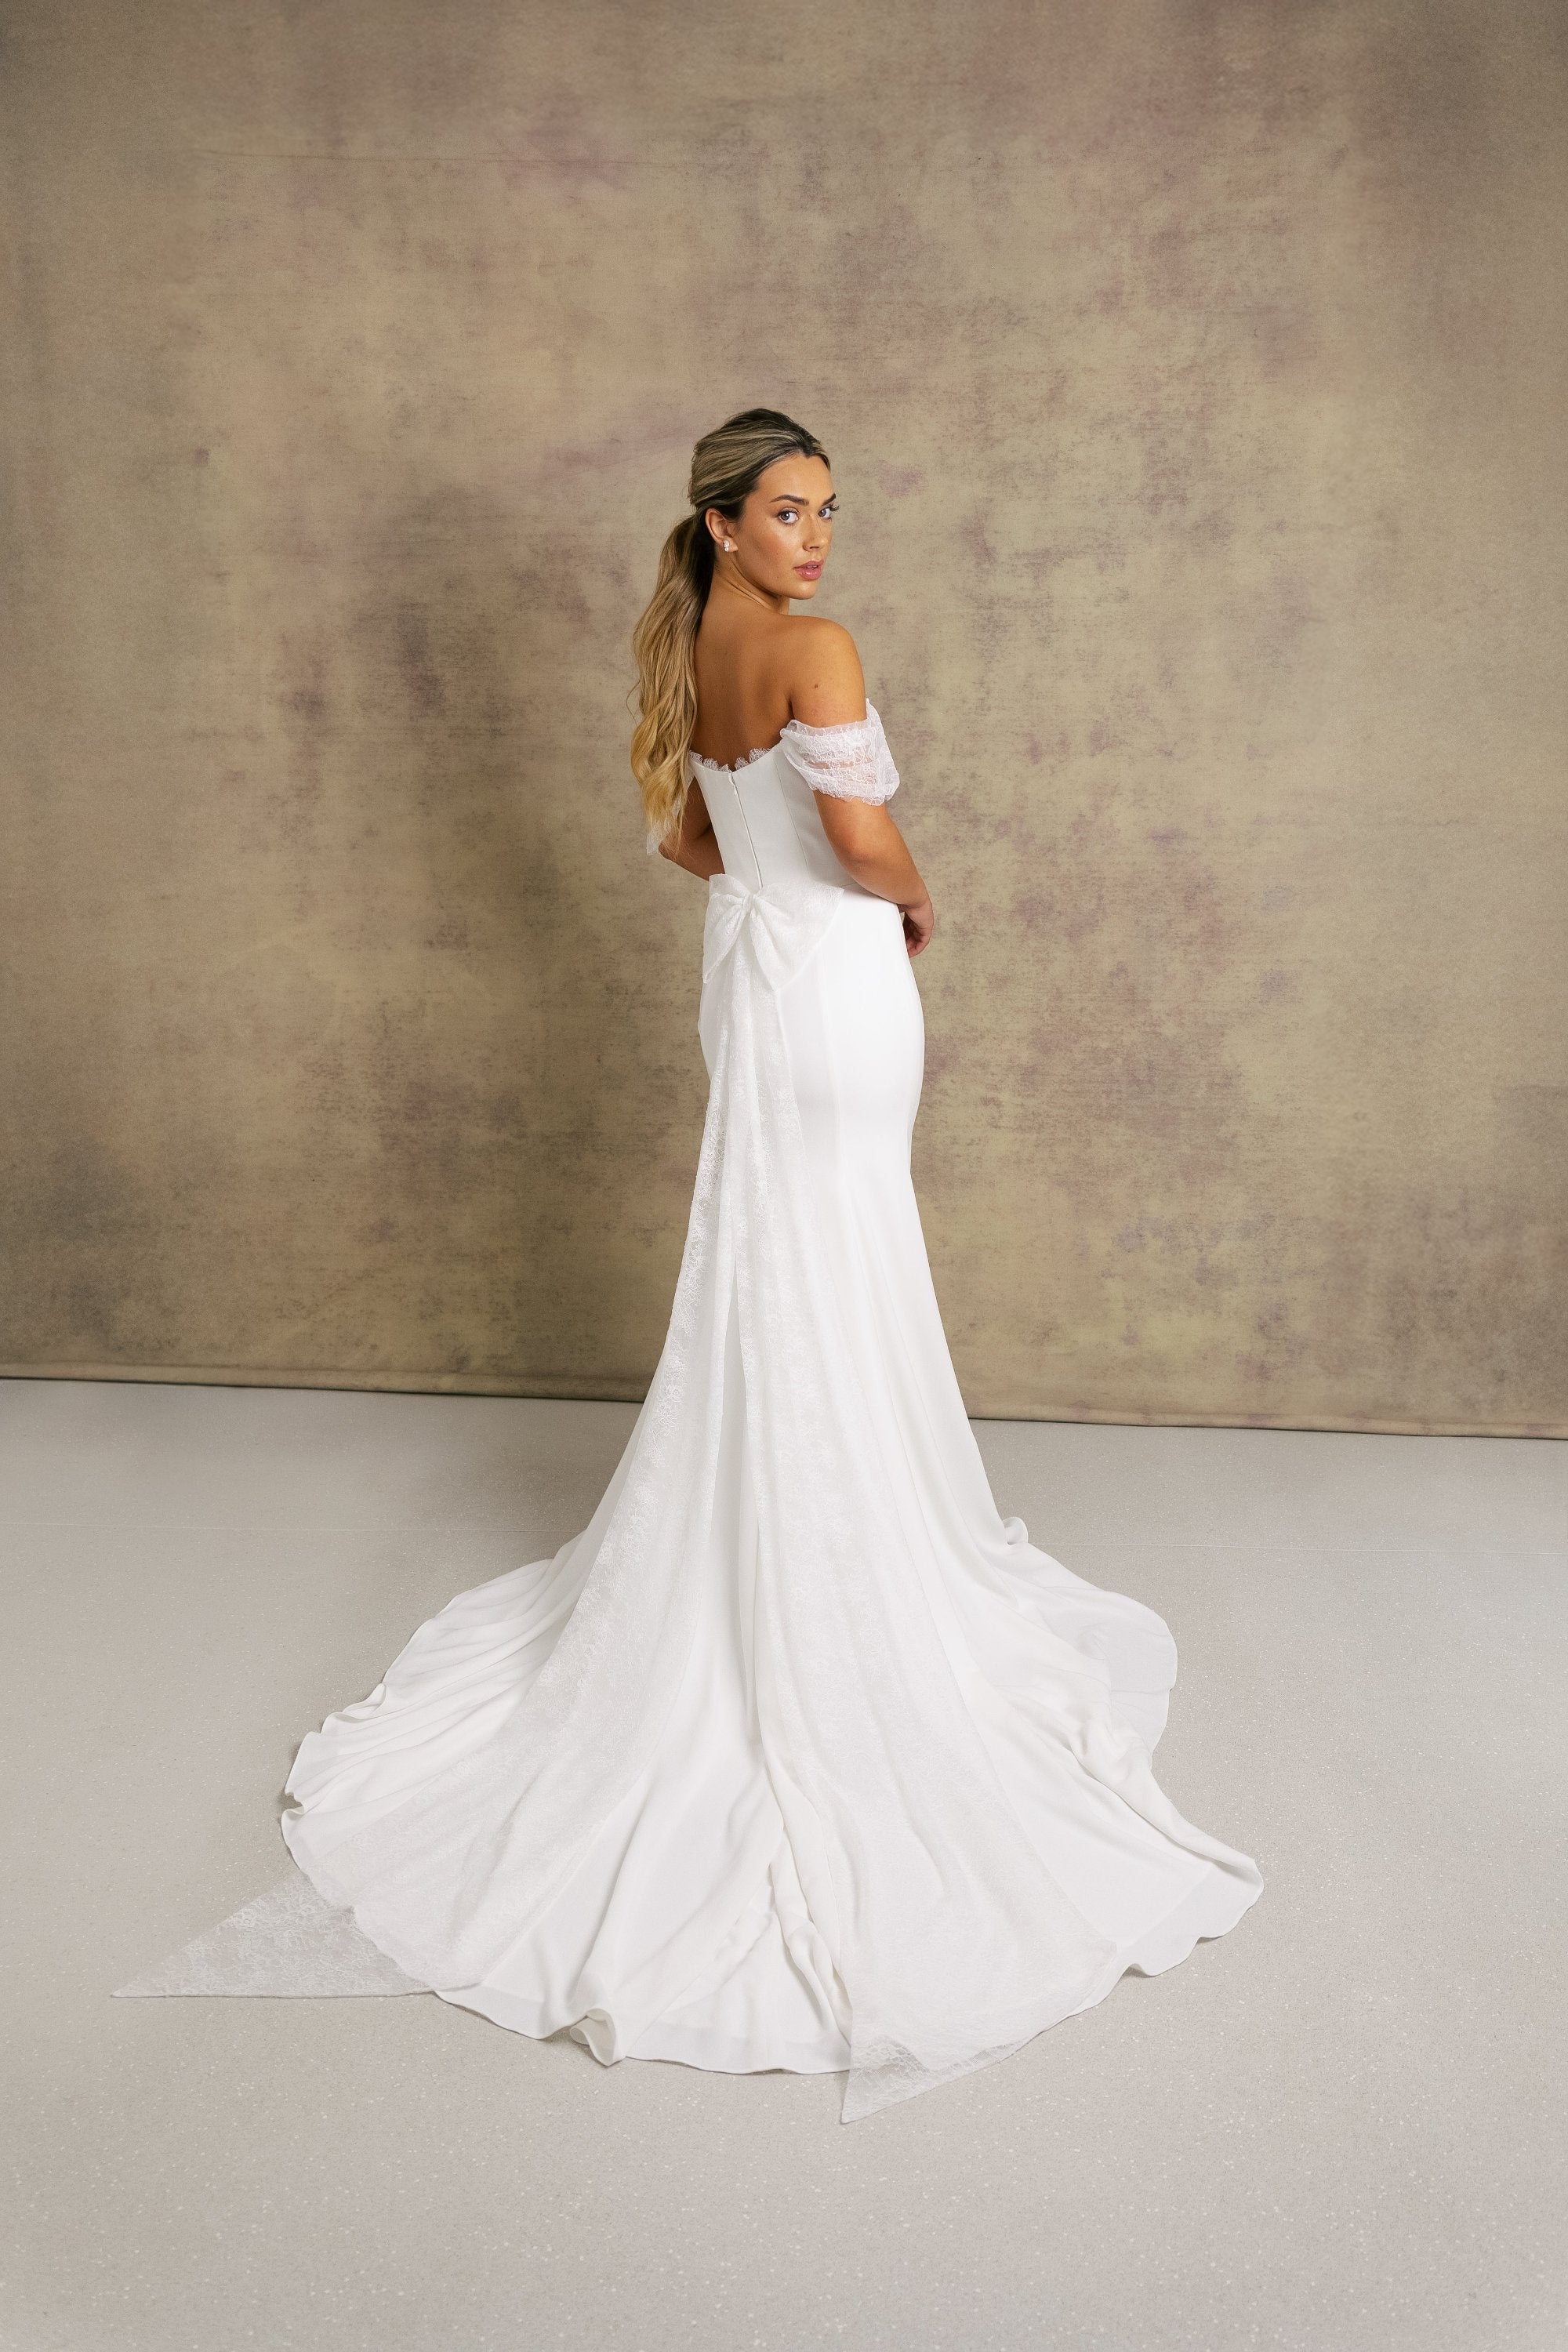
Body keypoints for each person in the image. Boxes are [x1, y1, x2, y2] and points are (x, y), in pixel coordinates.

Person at [121, 409, 1261, 2122]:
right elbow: (860, 842)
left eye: (829, 511)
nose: (819, 538)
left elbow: (685, 839)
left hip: (748, 981)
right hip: (836, 986)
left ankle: (784, 1532)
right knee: (839, 1247)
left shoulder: (691, 644)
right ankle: (843, 1563)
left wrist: (791, 885)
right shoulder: (814, 646)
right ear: (723, 521)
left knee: (775, 1264)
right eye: (789, 511)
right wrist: (915, 896)